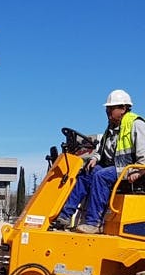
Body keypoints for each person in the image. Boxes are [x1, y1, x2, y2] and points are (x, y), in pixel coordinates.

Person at [54, 89, 145, 234]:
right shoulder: (112, 127)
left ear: (123, 108)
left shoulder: (136, 124)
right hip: (116, 168)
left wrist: (139, 171)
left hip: (130, 170)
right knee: (87, 172)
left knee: (101, 175)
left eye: (111, 108)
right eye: (107, 109)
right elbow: (101, 149)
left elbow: (144, 155)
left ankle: (93, 223)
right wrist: (95, 158)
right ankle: (64, 216)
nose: (108, 112)